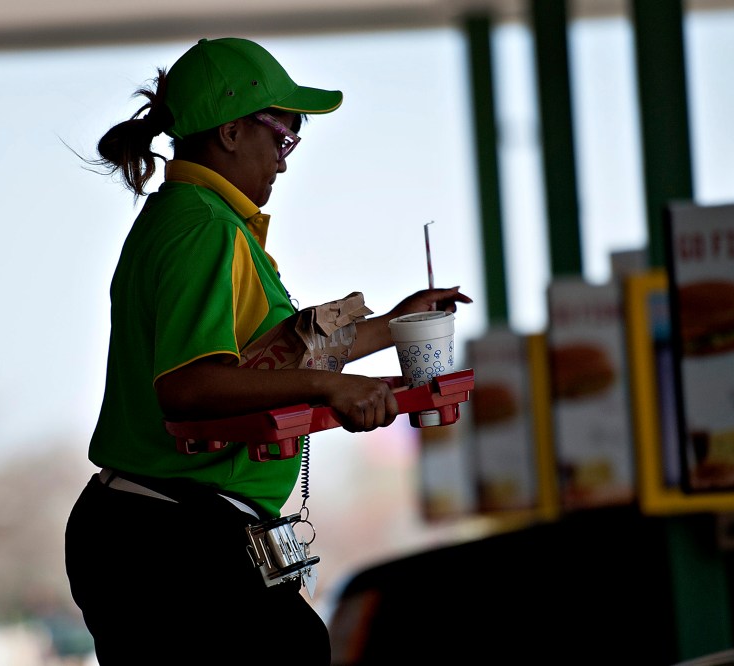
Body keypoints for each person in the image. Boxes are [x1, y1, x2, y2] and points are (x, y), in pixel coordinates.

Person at [64, 36, 471, 665]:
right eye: (283, 136)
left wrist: (396, 324)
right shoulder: (205, 229)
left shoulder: (191, 218)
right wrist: (330, 387)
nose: (284, 161)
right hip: (168, 530)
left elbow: (269, 365)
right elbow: (190, 386)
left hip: (150, 526)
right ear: (230, 132)